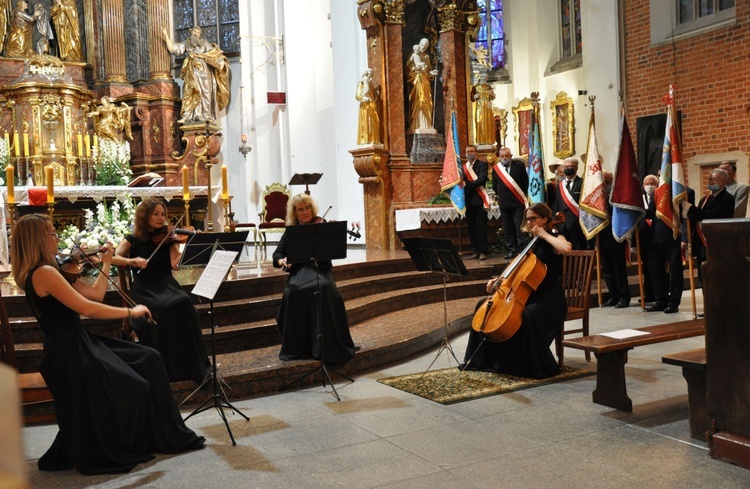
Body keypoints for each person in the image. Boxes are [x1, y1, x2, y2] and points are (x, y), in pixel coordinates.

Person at [11, 214, 204, 475]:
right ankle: (129, 440)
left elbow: (95, 294)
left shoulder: (53, 270)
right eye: (51, 234)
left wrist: (105, 263)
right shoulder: (45, 273)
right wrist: (130, 313)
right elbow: (88, 308)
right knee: (133, 384)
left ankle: (161, 435)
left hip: (80, 342)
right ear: (38, 240)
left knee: (150, 358)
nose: (56, 238)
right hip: (69, 353)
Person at [462, 203, 571, 378]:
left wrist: (544, 234)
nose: (529, 222)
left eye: (533, 218)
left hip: (550, 298)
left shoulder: (555, 235)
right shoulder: (530, 242)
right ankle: (482, 360)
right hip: (527, 295)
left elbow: (566, 248)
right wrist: (498, 279)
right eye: (527, 219)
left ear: (545, 219)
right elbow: (516, 267)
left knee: (529, 315)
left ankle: (529, 366)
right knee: (482, 305)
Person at [114, 198, 209, 383]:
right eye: (155, 214)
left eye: (163, 214)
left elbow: (174, 265)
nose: (161, 218)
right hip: (144, 287)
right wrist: (132, 261)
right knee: (164, 307)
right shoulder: (132, 240)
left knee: (183, 302)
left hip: (166, 283)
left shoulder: (169, 237)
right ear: (144, 216)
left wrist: (187, 246)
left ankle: (188, 363)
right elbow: (114, 258)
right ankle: (164, 365)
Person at [273, 193, 355, 365]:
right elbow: (278, 254)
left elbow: (334, 246)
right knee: (291, 294)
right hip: (300, 272)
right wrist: (282, 260)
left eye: (307, 208)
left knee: (324, 288)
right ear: (295, 213)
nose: (305, 212)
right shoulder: (291, 232)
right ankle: (299, 345)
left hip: (320, 271)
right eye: (300, 209)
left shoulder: (321, 226)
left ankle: (326, 345)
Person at [163, 26, 230, 124]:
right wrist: (166, 36)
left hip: (204, 70)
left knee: (205, 91)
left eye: (198, 32)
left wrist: (221, 62)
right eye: (194, 31)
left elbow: (214, 53)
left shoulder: (204, 43)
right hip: (191, 70)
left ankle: (206, 115)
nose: (196, 33)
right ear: (191, 32)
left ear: (200, 34)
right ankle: (187, 116)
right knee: (189, 91)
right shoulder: (187, 43)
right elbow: (174, 49)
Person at [680, 168, 735, 285]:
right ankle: (707, 302)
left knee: (715, 276)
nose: (712, 182)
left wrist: (692, 210)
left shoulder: (727, 198)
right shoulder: (704, 199)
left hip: (716, 243)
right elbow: (698, 218)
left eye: (716, 180)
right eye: (710, 179)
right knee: (703, 276)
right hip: (702, 245)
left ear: (724, 181)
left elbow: (714, 217)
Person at [598, 171, 630, 308]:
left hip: (615, 234)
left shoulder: (615, 193)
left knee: (618, 269)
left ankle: (623, 297)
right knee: (607, 269)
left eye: (603, 180)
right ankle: (613, 295)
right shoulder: (598, 194)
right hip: (601, 235)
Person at [491, 146, 528, 259]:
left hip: (517, 202)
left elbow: (525, 183)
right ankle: (510, 250)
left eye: (507, 156)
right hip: (504, 203)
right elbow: (494, 186)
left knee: (519, 227)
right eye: (502, 156)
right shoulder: (496, 169)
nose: (505, 158)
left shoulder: (519, 166)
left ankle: (521, 250)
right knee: (507, 228)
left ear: (511, 156)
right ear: (499, 157)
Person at [462, 144, 490, 260]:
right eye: (467, 151)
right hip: (468, 202)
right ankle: (475, 251)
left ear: (476, 153)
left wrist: (466, 185)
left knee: (481, 227)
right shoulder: (463, 167)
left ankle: (483, 251)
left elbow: (481, 180)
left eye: (472, 151)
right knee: (471, 228)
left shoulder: (482, 165)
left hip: (479, 200)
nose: (469, 153)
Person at [553, 156, 587, 250]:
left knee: (579, 250)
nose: (568, 168)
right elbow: (557, 204)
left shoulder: (582, 183)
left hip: (577, 224)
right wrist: (555, 220)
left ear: (576, 168)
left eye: (571, 166)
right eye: (566, 166)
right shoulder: (560, 185)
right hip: (562, 225)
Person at [406, 38, 438, 132]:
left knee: (426, 101)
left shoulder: (427, 57)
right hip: (417, 80)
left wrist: (432, 73)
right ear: (419, 43)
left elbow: (427, 72)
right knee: (419, 100)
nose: (423, 47)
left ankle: (427, 124)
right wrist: (416, 69)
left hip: (425, 81)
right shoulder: (413, 55)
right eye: (422, 45)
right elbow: (408, 70)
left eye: (425, 46)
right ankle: (416, 124)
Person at [355, 68, 381, 145]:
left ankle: (373, 139)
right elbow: (358, 96)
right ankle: (366, 140)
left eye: (372, 74)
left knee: (374, 121)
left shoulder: (370, 84)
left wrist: (376, 93)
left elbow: (373, 95)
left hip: (371, 105)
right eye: (370, 73)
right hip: (365, 106)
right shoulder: (362, 83)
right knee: (366, 121)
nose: (370, 75)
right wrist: (364, 98)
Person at [471, 72, 495, 146]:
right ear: (480, 77)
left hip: (488, 107)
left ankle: (488, 140)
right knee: (480, 122)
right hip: (480, 106)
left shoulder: (489, 87)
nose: (485, 79)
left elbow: (493, 97)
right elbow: (471, 98)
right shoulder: (475, 87)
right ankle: (480, 140)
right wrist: (474, 96)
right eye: (484, 78)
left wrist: (491, 94)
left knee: (488, 123)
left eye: (486, 78)